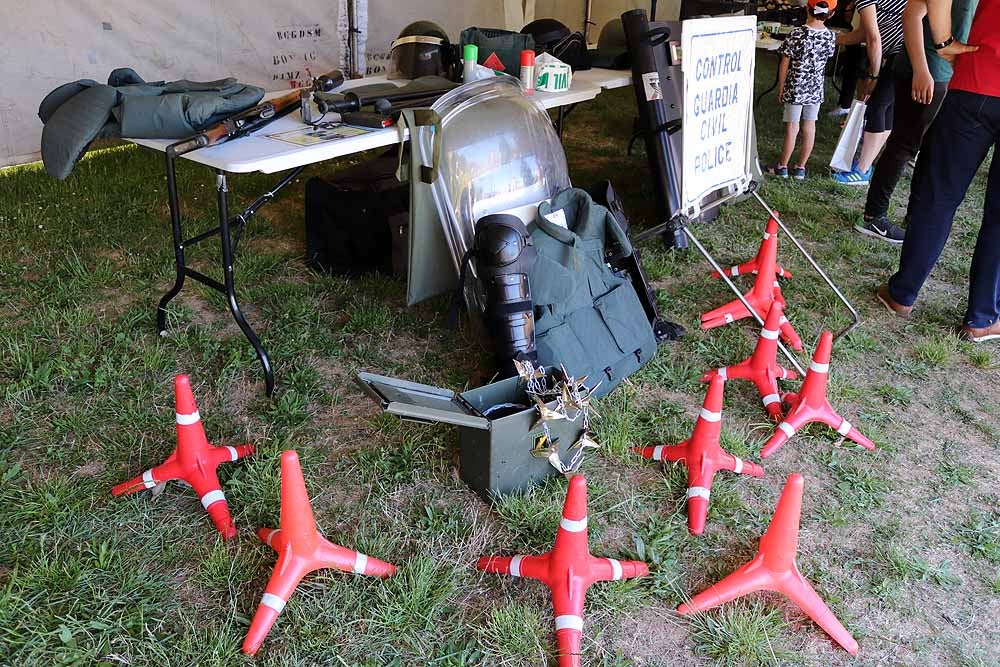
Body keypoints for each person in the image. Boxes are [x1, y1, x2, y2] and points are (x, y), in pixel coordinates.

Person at [877, 0, 997, 342]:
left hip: (975, 82)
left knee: (939, 196)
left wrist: (943, 41)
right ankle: (982, 317)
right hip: (974, 81)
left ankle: (902, 293)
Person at [853, 0, 979, 243]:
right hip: (925, 73)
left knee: (927, 149)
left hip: (945, 75)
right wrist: (922, 70)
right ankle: (873, 217)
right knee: (904, 146)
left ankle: (915, 218)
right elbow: (911, 15)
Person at [832, 0, 908, 185]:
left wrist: (873, 76)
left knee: (876, 107)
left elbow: (873, 39)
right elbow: (862, 34)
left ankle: (862, 170)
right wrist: (830, 38)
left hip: (903, 54)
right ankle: (867, 164)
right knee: (886, 109)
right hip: (905, 53)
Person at [766, 0, 837, 180]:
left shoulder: (797, 33)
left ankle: (782, 166)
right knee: (810, 126)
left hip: (795, 86)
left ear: (807, 9)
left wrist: (781, 86)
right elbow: (827, 58)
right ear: (831, 14)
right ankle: (800, 168)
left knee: (792, 127)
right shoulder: (830, 36)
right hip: (815, 88)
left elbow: (785, 63)